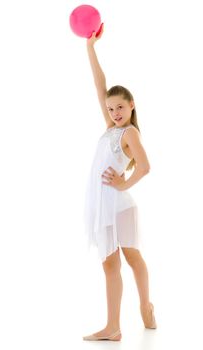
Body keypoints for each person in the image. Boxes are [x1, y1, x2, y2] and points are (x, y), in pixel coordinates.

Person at [82, 23, 157, 341]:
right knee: (111, 265)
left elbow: (145, 167)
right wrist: (90, 48)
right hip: (104, 205)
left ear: (132, 106)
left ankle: (145, 306)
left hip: (120, 206)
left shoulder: (130, 133)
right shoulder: (110, 128)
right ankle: (114, 326)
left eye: (120, 107)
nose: (113, 111)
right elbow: (100, 87)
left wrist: (123, 185)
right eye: (111, 108)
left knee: (131, 258)